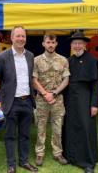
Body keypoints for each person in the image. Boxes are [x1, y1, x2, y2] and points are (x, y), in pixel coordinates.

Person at [0, 26, 38, 173]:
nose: (21, 39)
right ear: (12, 38)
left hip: (27, 101)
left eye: (23, 36)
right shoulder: (1, 58)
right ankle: (11, 165)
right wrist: (4, 99)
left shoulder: (30, 56)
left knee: (25, 134)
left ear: (26, 38)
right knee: (10, 135)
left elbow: (32, 78)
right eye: (18, 36)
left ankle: (24, 161)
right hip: (11, 102)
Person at [63, 31, 98, 173]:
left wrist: (94, 104)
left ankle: (88, 162)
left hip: (85, 99)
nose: (77, 46)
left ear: (85, 44)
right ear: (71, 45)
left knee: (85, 128)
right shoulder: (69, 61)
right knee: (70, 126)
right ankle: (71, 156)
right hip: (70, 99)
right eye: (74, 43)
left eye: (80, 43)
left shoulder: (93, 60)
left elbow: (97, 85)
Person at [33, 34, 70, 166]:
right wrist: (45, 94)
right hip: (42, 100)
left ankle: (57, 153)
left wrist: (53, 93)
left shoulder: (63, 60)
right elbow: (34, 80)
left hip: (57, 99)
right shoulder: (36, 60)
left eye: (53, 42)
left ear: (56, 44)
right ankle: (39, 153)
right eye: (48, 42)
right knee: (40, 127)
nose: (50, 45)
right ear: (43, 44)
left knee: (57, 127)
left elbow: (66, 79)